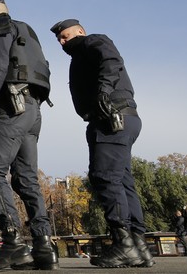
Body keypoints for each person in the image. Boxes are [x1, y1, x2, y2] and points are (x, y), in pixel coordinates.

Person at [50, 19, 154, 268]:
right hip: (124, 117)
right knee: (123, 180)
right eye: (60, 40)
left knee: (104, 177)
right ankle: (138, 246)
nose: (64, 42)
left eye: (66, 36)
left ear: (80, 31)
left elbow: (111, 60)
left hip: (110, 118)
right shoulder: (83, 53)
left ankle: (124, 243)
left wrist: (103, 93)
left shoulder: (92, 41)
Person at [0, 0, 57, 271]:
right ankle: (43, 246)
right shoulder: (26, 31)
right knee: (26, 179)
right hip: (33, 111)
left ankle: (13, 242)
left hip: (12, 108)